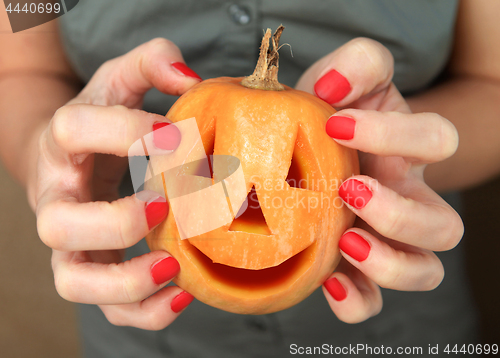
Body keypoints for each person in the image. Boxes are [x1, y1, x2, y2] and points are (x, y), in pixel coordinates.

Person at [1, 0, 498, 357]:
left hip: (400, 330)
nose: (248, 220)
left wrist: (378, 162)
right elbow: (20, 65)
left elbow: (491, 80)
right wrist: (48, 159)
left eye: (291, 178)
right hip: (137, 327)